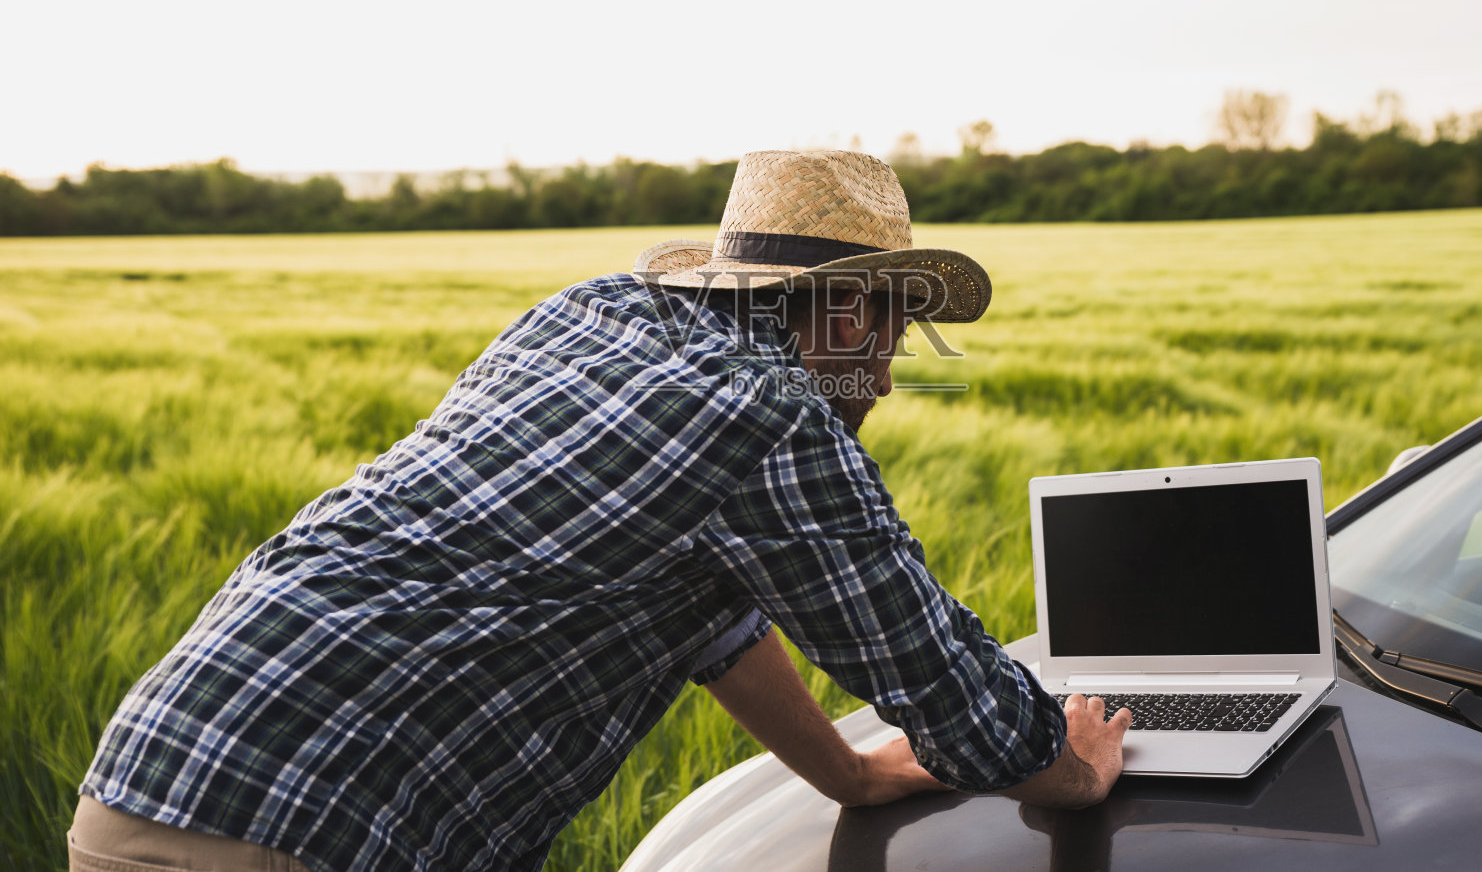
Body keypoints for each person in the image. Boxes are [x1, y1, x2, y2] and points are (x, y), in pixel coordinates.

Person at [71, 150, 1130, 872]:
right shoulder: (764, 414)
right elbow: (941, 683)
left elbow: (706, 613)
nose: (891, 381)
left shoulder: (585, 314)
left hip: (143, 785)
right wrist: (1075, 770)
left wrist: (850, 772)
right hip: (301, 836)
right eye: (891, 338)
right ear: (848, 308)